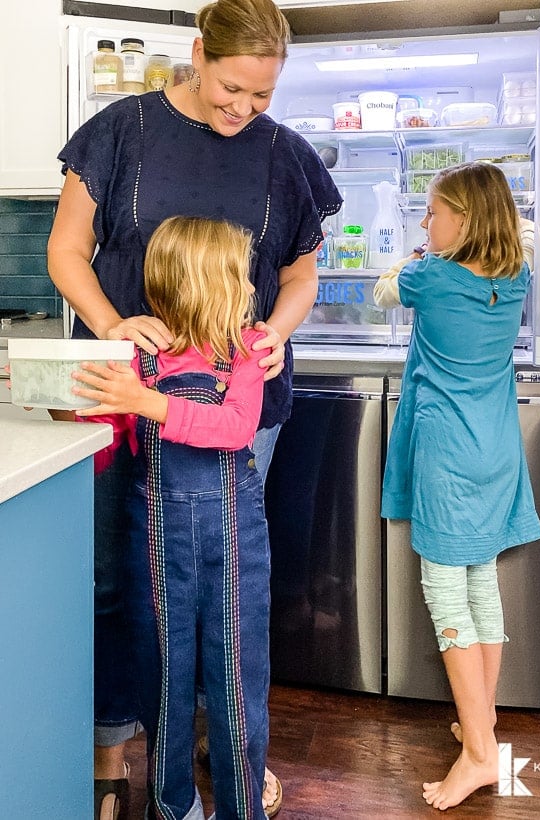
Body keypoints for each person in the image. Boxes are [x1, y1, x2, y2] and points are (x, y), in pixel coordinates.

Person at [46, 0, 342, 816]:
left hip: (242, 396)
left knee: (227, 588)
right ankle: (113, 750)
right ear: (200, 53)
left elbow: (300, 277)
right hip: (122, 395)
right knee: (119, 579)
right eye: (231, 88)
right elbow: (66, 250)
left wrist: (277, 333)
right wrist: (112, 326)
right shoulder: (123, 132)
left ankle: (222, 751)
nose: (243, 110)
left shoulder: (285, 157)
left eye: (262, 95)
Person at [73, 215, 272, 820]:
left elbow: (235, 427)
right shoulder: (138, 360)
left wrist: (148, 403)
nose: (247, 288)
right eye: (238, 276)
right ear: (205, 285)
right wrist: (71, 406)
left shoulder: (248, 354)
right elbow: (107, 444)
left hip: (233, 543)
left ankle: (242, 810)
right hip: (156, 545)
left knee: (234, 681)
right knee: (164, 681)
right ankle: (174, 806)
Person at [375, 162, 540, 811]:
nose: (426, 221)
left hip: (448, 455)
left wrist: (408, 262)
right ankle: (484, 726)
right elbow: (516, 236)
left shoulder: (433, 276)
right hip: (497, 450)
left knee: (447, 594)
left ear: (465, 220)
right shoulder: (515, 275)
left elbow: (385, 293)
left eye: (434, 210)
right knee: (481, 585)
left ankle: (477, 755)